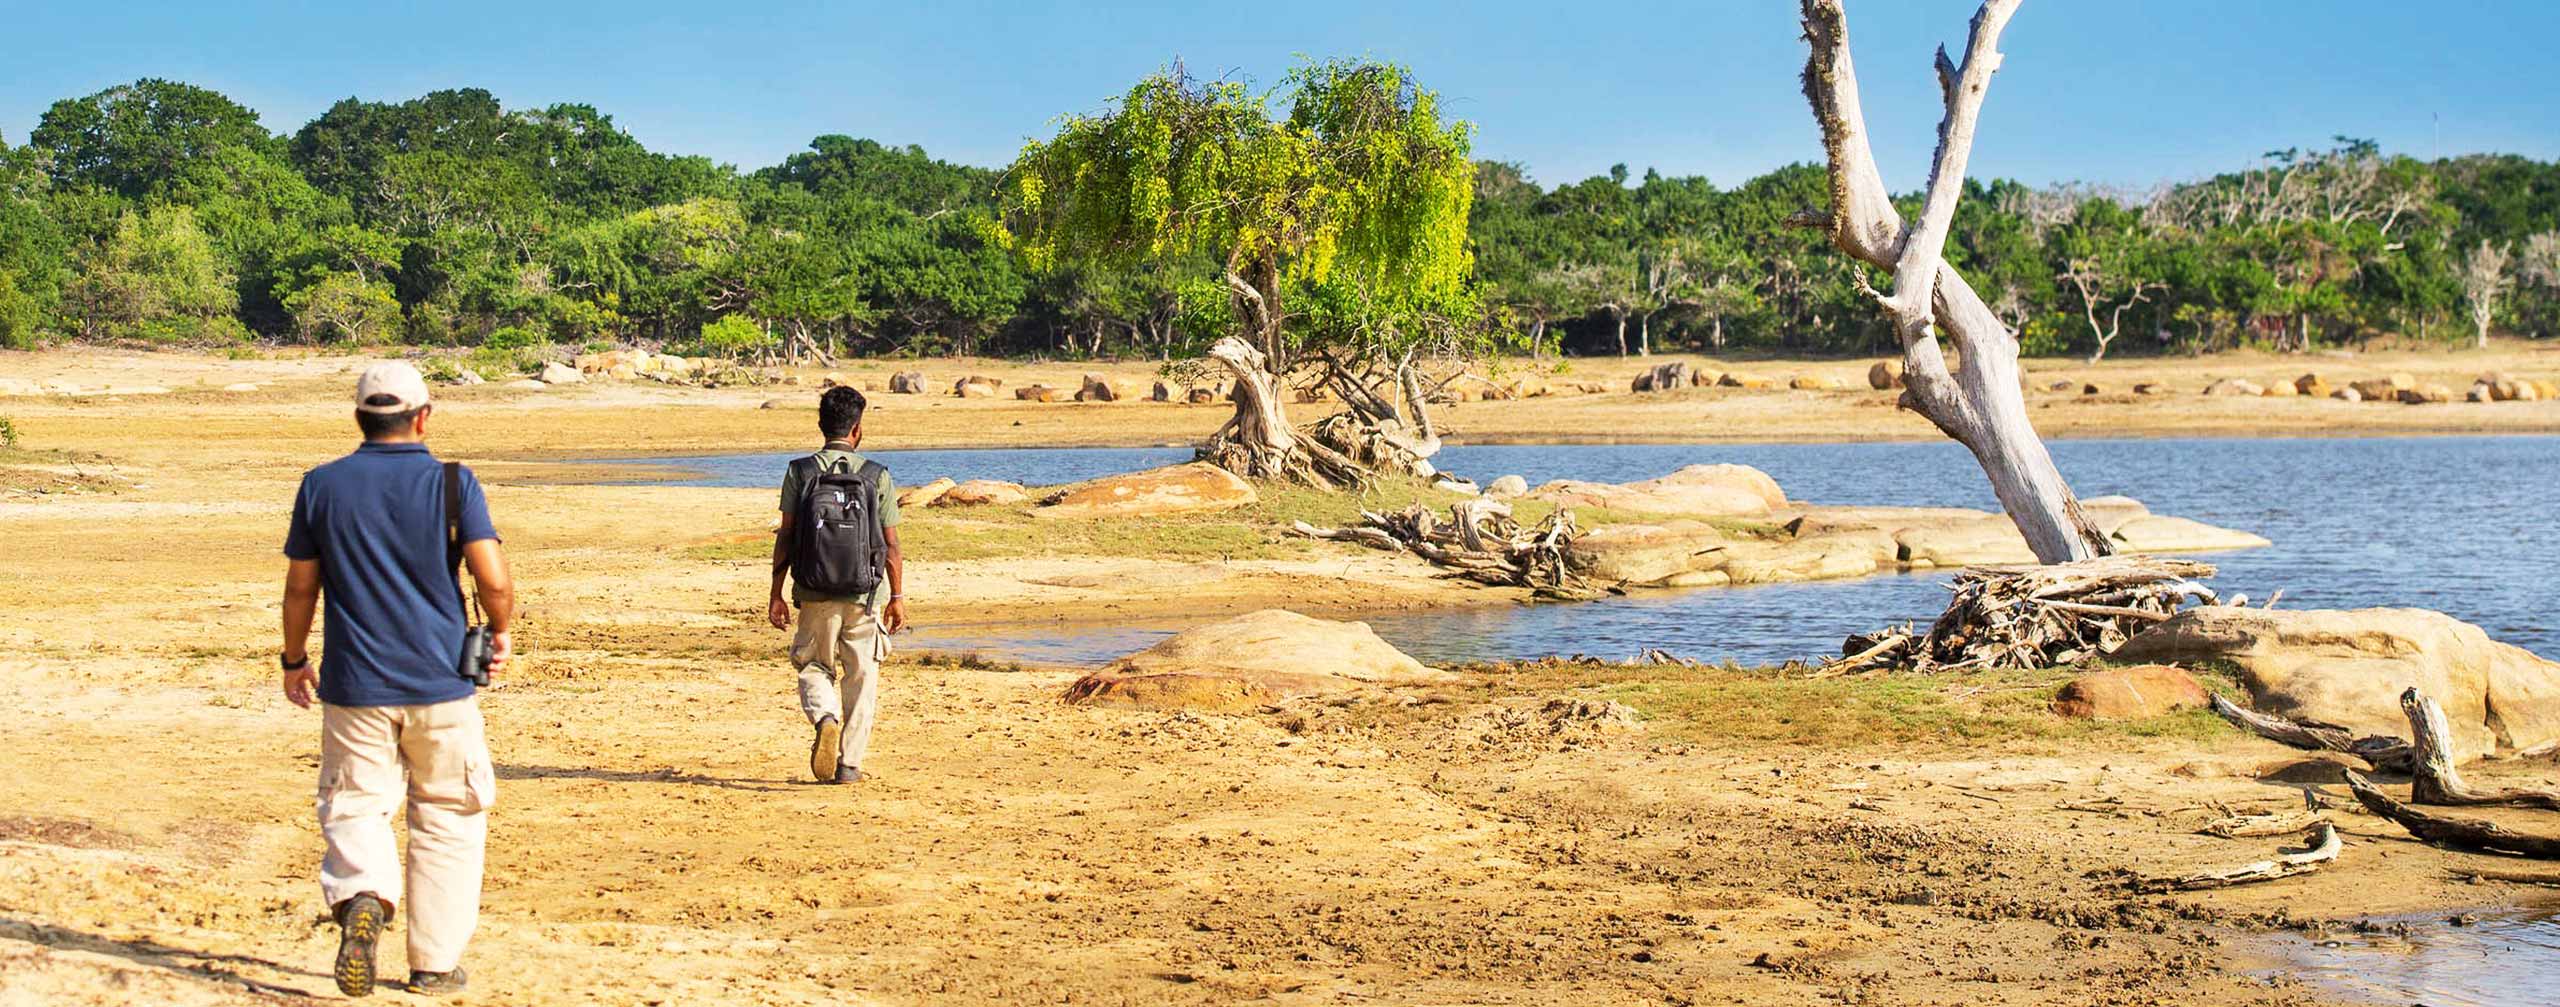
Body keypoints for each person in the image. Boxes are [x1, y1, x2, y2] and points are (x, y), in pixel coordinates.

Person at [280, 361, 514, 998]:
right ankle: (434, 962)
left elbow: (302, 585)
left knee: (355, 802)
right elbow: (491, 578)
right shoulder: (452, 483)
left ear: (359, 417)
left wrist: (294, 658)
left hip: (355, 683)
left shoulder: (321, 485)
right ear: (423, 416)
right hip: (441, 682)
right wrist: (499, 631)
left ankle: (363, 894)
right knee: (447, 815)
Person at [769, 385, 908, 784]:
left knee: (814, 666)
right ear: (857, 429)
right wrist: (896, 597)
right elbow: (892, 543)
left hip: (813, 591)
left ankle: (825, 716)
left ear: (821, 426)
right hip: (865, 595)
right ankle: (848, 765)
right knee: (862, 678)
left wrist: (776, 593)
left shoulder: (800, 471)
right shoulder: (876, 475)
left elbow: (786, 535)